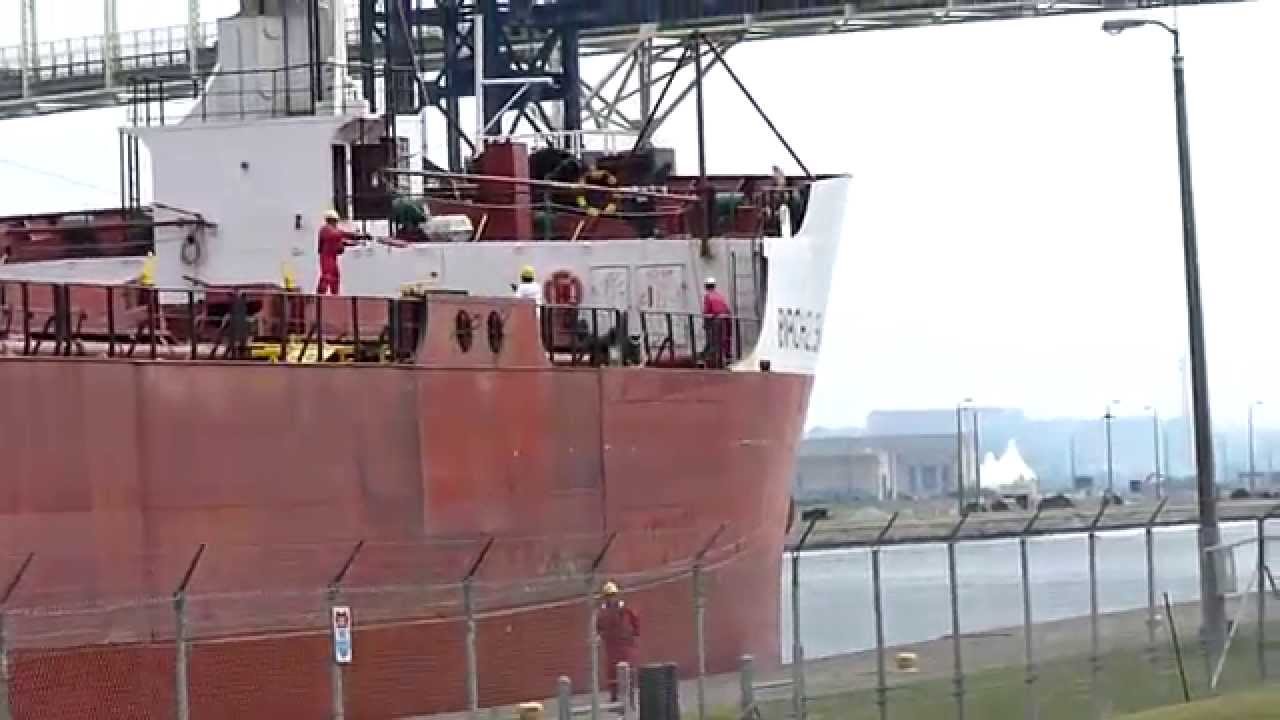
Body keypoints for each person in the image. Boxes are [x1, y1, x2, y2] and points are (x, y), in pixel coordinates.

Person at [595, 581, 640, 704]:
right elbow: (598, 626)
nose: (611, 598)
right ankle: (614, 696)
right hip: (611, 646)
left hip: (625, 645)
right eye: (608, 596)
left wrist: (634, 635)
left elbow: (635, 621)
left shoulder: (625, 608)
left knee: (627, 670)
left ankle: (629, 696)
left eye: (612, 595)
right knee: (612, 671)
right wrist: (600, 636)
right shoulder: (602, 611)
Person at [317, 210, 360, 295]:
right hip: (326, 257)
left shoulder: (333, 232)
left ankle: (335, 295)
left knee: (335, 276)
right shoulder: (326, 229)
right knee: (327, 276)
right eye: (335, 221)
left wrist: (356, 241)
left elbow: (341, 241)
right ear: (331, 220)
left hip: (332, 257)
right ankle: (320, 296)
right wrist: (355, 236)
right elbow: (338, 234)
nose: (336, 223)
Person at [701, 276, 733, 368]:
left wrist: (705, 323)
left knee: (712, 341)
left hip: (715, 320)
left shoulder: (708, 296)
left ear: (706, 286)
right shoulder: (719, 295)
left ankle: (708, 359)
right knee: (722, 341)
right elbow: (726, 309)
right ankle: (725, 357)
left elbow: (707, 310)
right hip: (725, 319)